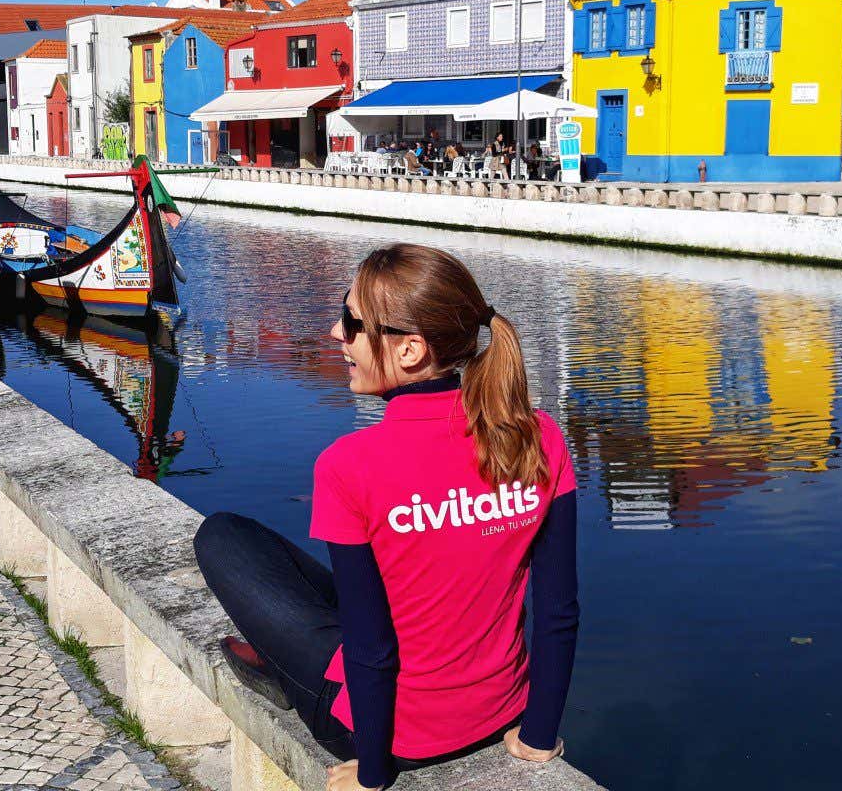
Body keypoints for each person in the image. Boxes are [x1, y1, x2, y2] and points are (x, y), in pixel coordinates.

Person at [193, 245, 579, 791]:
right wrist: (539, 734)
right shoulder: (539, 436)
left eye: (352, 323)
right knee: (377, 587)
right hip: (501, 711)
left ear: (410, 350)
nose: (335, 332)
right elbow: (559, 609)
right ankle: (279, 669)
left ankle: (283, 674)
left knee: (224, 536)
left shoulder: (350, 466)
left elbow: (372, 646)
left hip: (388, 735)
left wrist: (373, 773)